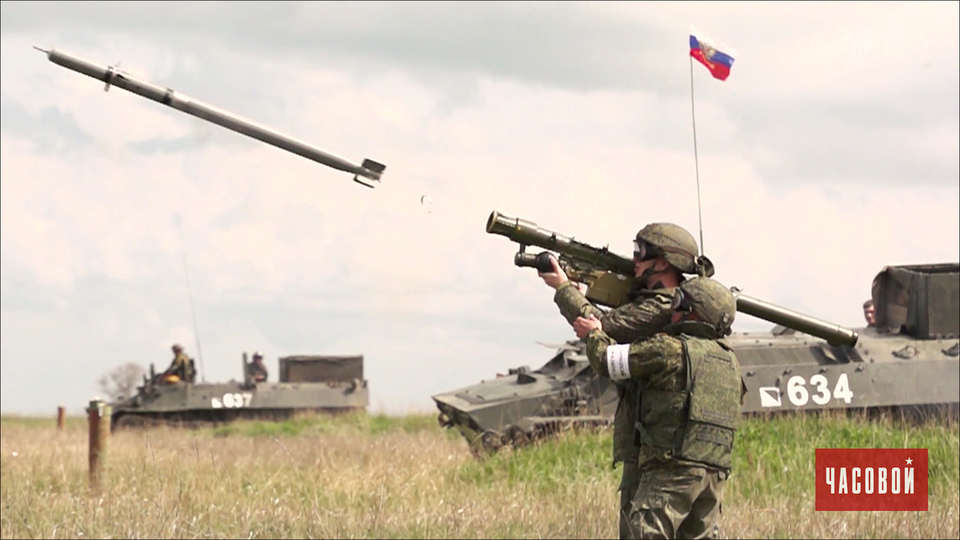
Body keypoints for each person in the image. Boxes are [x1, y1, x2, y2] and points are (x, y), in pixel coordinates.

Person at [538, 222, 713, 540]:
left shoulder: (666, 304)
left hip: (656, 445)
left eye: (641, 252)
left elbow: (604, 327)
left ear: (664, 262)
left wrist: (562, 288)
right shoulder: (667, 303)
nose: (634, 260)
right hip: (653, 439)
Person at [574, 276, 745, 539]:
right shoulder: (730, 361)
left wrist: (595, 333)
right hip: (713, 475)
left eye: (677, 302)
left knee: (644, 533)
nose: (671, 309)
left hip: (671, 468)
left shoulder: (668, 348)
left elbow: (607, 362)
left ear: (693, 312)